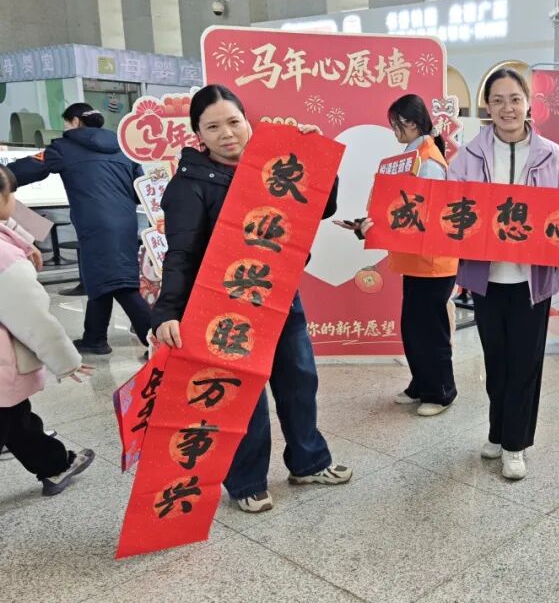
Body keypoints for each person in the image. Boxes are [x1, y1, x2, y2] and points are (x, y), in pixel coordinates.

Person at [152, 84, 352, 513]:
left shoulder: (272, 166)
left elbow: (322, 207)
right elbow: (180, 253)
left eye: (234, 122)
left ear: (247, 121)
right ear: (198, 134)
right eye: (213, 127)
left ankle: (309, 462)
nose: (227, 133)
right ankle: (246, 481)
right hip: (225, 308)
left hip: (280, 295)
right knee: (242, 397)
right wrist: (167, 310)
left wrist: (313, 157)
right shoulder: (189, 184)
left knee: (300, 381)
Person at [449, 68, 559, 481]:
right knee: (495, 361)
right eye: (498, 100)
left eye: (515, 99)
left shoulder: (552, 156)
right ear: (487, 107)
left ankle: (515, 444)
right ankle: (497, 431)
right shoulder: (467, 156)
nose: (507, 108)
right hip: (485, 279)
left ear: (528, 104)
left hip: (532, 282)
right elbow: (449, 209)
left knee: (524, 363)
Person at [337, 94, 459, 417]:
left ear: (413, 123)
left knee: (430, 331)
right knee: (413, 328)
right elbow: (398, 210)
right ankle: (421, 383)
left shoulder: (428, 160)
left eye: (397, 124)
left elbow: (426, 214)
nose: (394, 130)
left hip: (433, 262)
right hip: (414, 260)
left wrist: (378, 226)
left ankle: (441, 392)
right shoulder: (411, 155)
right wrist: (367, 225)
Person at [7, 104, 152, 356]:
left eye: (66, 123)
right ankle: (94, 338)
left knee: (121, 284)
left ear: (74, 122)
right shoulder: (122, 148)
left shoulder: (64, 147)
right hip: (126, 222)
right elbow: (139, 188)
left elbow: (26, 169)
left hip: (95, 224)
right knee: (99, 278)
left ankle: (156, 341)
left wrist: (3, 177)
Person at [0, 164, 96, 496]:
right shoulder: (4, 258)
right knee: (11, 416)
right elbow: (32, 316)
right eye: (12, 194)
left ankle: (55, 464)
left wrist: (25, 244)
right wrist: (66, 360)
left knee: (17, 419)